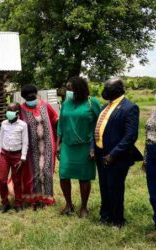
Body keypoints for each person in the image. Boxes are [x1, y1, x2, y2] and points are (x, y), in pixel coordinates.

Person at [94, 77, 143, 228]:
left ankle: (117, 220)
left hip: (117, 157)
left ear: (117, 90)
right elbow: (96, 128)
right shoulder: (104, 107)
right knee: (104, 187)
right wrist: (92, 147)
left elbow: (130, 136)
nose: (104, 91)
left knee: (115, 188)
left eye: (107, 89)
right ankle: (105, 216)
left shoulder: (130, 107)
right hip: (100, 154)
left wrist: (113, 154)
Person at [57, 77, 101, 218]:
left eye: (70, 89)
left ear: (79, 89)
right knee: (64, 175)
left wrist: (94, 147)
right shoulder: (66, 103)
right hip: (67, 146)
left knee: (84, 177)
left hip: (85, 147)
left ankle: (84, 207)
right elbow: (61, 124)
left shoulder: (91, 102)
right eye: (67, 89)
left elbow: (99, 125)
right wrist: (58, 144)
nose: (68, 92)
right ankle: (69, 204)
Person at [20, 85, 58, 209]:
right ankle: (33, 199)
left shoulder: (46, 105)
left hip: (48, 144)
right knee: (32, 172)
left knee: (46, 171)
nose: (31, 98)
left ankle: (46, 198)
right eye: (28, 97)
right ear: (24, 98)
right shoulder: (21, 109)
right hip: (31, 148)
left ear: (36, 94)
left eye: (33, 95)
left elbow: (56, 120)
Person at [0, 102, 29, 213]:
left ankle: (18, 203)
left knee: (17, 180)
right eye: (7, 110)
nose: (8, 113)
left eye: (11, 111)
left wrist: (23, 157)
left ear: (17, 113)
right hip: (4, 154)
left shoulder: (22, 125)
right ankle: (5, 203)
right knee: (2, 180)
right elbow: (0, 139)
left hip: (17, 156)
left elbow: (25, 142)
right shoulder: (3, 123)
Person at [143, 108, 156, 233]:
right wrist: (146, 158)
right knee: (153, 194)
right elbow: (148, 136)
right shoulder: (154, 110)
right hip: (152, 153)